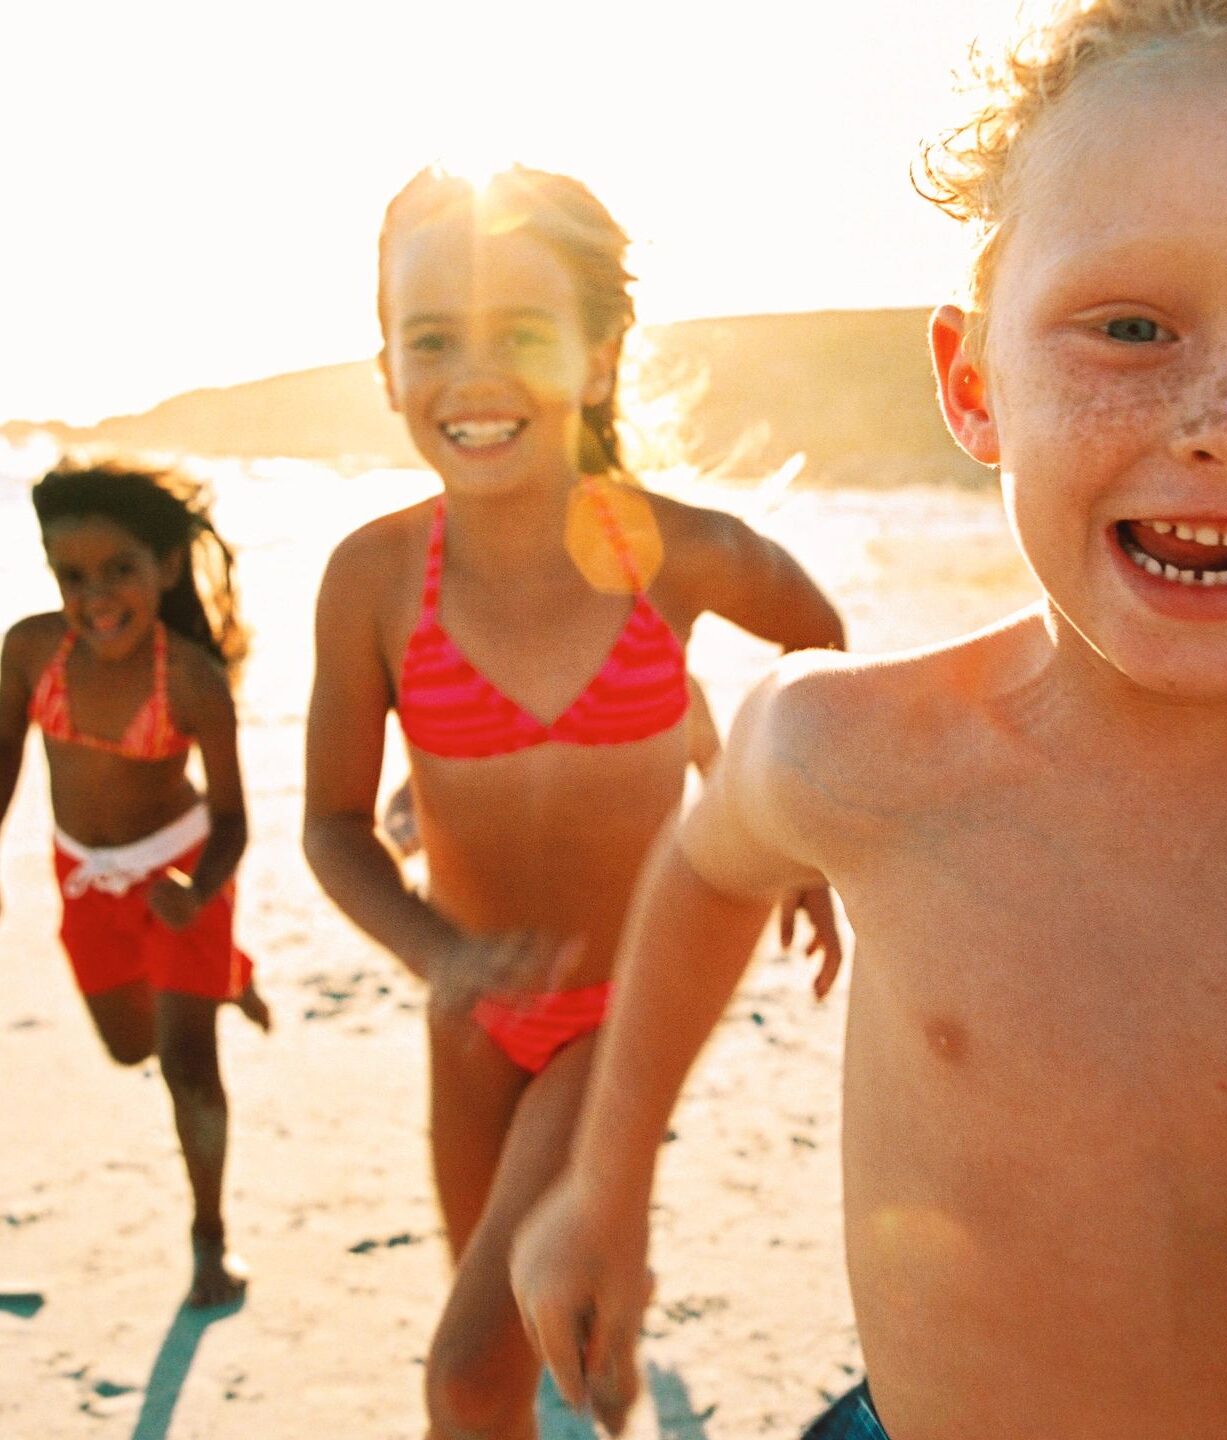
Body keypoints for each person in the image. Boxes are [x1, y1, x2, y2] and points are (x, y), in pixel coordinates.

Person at [508, 2, 1227, 1436]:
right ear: (972, 382)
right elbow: (708, 864)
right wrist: (605, 1184)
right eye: (1130, 325)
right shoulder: (854, 754)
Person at [302, 163, 845, 1440]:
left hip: (623, 1008)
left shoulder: (680, 548)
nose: (473, 374)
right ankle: (614, 1311)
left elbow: (824, 662)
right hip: (471, 1016)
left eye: (524, 335)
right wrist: (441, 954)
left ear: (600, 359)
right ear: (386, 367)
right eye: (431, 338)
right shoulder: (373, 579)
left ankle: (606, 1300)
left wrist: (802, 840)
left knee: (466, 1376)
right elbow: (330, 824)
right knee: (530, 1328)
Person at [0, 459, 269, 1309]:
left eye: (119, 570)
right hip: (83, 877)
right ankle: (228, 977)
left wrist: (197, 890)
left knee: (189, 1066)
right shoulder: (30, 650)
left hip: (182, 878)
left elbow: (232, 821)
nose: (95, 596)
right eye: (72, 575)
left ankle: (210, 1244)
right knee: (130, 1048)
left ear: (161, 567)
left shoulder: (190, 679)